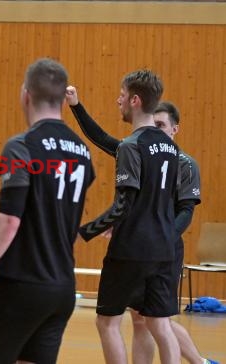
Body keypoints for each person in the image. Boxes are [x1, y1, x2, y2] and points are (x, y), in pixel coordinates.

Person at [0, 58, 95, 364]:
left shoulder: (22, 145)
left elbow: (9, 220)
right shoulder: (82, 150)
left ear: (26, 94)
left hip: (22, 285)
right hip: (62, 288)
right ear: (61, 100)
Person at [65, 89, 214, 364]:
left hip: (163, 244)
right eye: (153, 123)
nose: (154, 129)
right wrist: (76, 106)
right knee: (143, 320)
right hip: (144, 241)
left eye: (160, 125)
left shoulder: (184, 162)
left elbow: (186, 212)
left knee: (157, 321)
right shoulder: (137, 148)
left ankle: (200, 361)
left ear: (174, 129)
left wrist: (161, 235)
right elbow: (101, 138)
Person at [75, 70, 181, 364]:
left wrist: (83, 231)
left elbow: (124, 204)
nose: (117, 100)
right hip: (164, 247)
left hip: (132, 249)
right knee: (160, 324)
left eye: (121, 95)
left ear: (135, 100)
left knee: (107, 322)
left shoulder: (131, 146)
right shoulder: (171, 147)